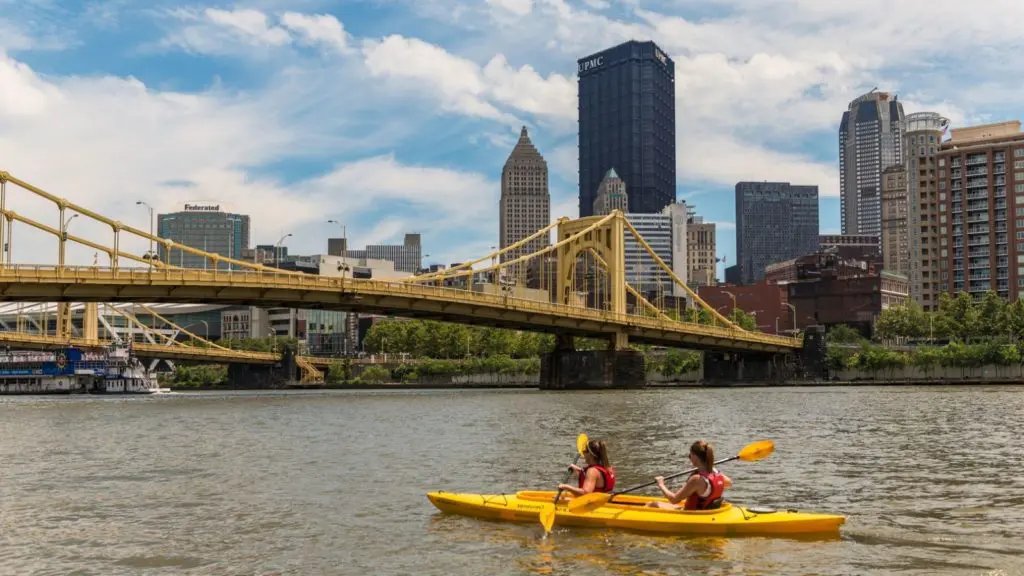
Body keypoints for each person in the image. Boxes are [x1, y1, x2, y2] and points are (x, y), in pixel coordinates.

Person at [648, 439, 732, 510]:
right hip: (708, 512)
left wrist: (661, 484)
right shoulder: (717, 473)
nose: (690, 458)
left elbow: (674, 500)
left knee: (652, 504)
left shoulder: (696, 479)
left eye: (690, 455)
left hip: (691, 516)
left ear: (695, 456)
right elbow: (729, 484)